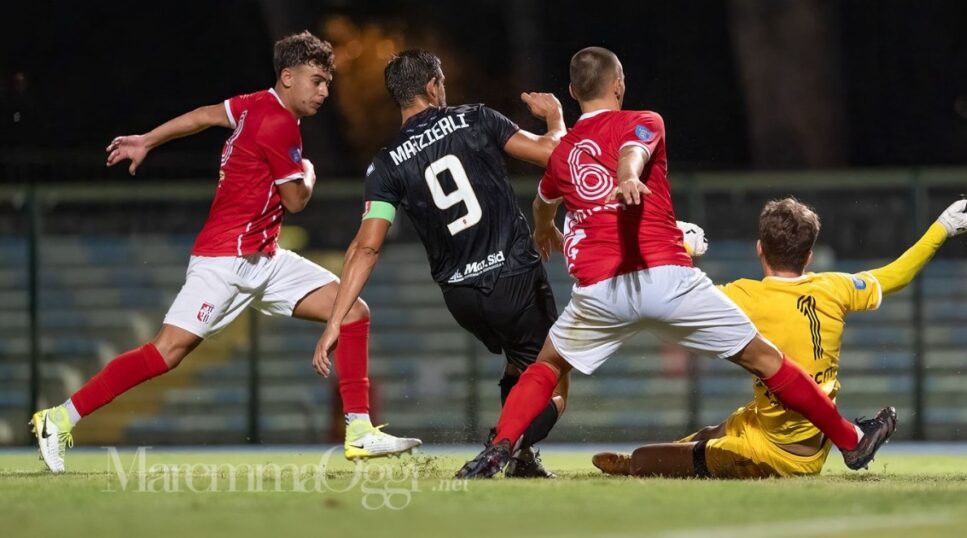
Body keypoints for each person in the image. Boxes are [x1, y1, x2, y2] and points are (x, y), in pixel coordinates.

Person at [456, 46, 896, 479]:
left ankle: (498, 449)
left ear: (572, 91)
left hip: (600, 290)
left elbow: (543, 202)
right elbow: (633, 151)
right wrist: (627, 175)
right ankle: (851, 440)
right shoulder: (645, 120)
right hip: (666, 279)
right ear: (619, 84)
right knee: (767, 360)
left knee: (548, 366)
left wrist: (543, 229)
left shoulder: (561, 153)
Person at [30, 31, 419, 474]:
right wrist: (308, 173)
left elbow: (204, 116)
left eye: (327, 83)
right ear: (288, 77)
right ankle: (59, 418)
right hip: (225, 262)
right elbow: (296, 200)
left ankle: (359, 429)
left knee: (353, 311)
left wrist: (148, 140)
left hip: (265, 258)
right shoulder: (277, 123)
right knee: (166, 352)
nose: (324, 92)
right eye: (316, 81)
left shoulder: (255, 104)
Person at [312, 49, 568, 477]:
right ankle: (503, 446)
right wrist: (556, 117)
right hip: (514, 277)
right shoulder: (475, 119)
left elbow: (366, 248)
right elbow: (553, 154)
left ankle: (523, 460)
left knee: (517, 361)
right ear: (432, 86)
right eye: (442, 81)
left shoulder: (385, 163)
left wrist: (334, 320)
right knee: (554, 376)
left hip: (462, 297)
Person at [592, 196, 967, 478]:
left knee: (643, 460)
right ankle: (851, 435)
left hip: (777, 452)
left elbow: (671, 296)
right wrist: (942, 227)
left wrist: (677, 244)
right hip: (800, 431)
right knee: (710, 433)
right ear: (808, 255)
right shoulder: (836, 287)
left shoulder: (742, 296)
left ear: (759, 249)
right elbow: (899, 274)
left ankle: (640, 465)